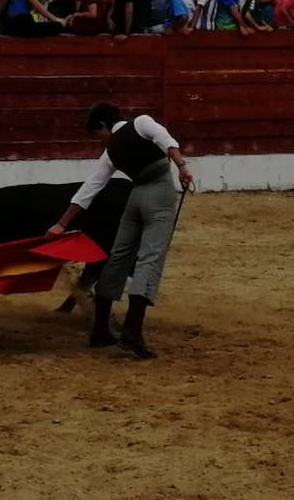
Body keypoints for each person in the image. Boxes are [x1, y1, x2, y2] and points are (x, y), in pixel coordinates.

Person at [47, 103, 194, 359]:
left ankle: (101, 330)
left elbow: (89, 190)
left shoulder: (110, 152)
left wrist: (62, 224)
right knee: (150, 258)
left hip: (135, 197)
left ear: (103, 125)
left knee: (118, 256)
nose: (101, 140)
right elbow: (165, 139)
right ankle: (132, 331)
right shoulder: (142, 122)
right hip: (159, 194)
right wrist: (182, 166)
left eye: (98, 134)